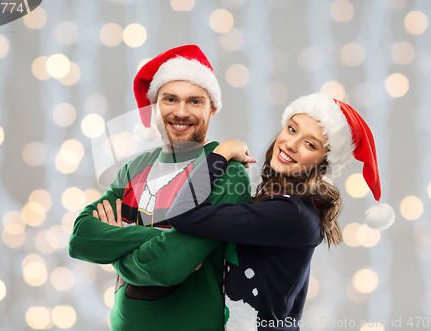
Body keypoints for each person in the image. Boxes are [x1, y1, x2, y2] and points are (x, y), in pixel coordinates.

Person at [98, 93, 394, 330]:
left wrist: (221, 152)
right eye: (291, 129)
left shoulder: (288, 214)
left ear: (322, 162)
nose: (290, 143)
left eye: (309, 144)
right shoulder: (278, 202)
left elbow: (181, 213)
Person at [68, 45, 251, 330]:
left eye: (195, 102)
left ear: (212, 109)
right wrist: (160, 238)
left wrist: (116, 243)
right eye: (170, 99)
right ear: (154, 105)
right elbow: (80, 238)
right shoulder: (137, 167)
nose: (181, 112)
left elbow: (167, 266)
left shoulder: (227, 171)